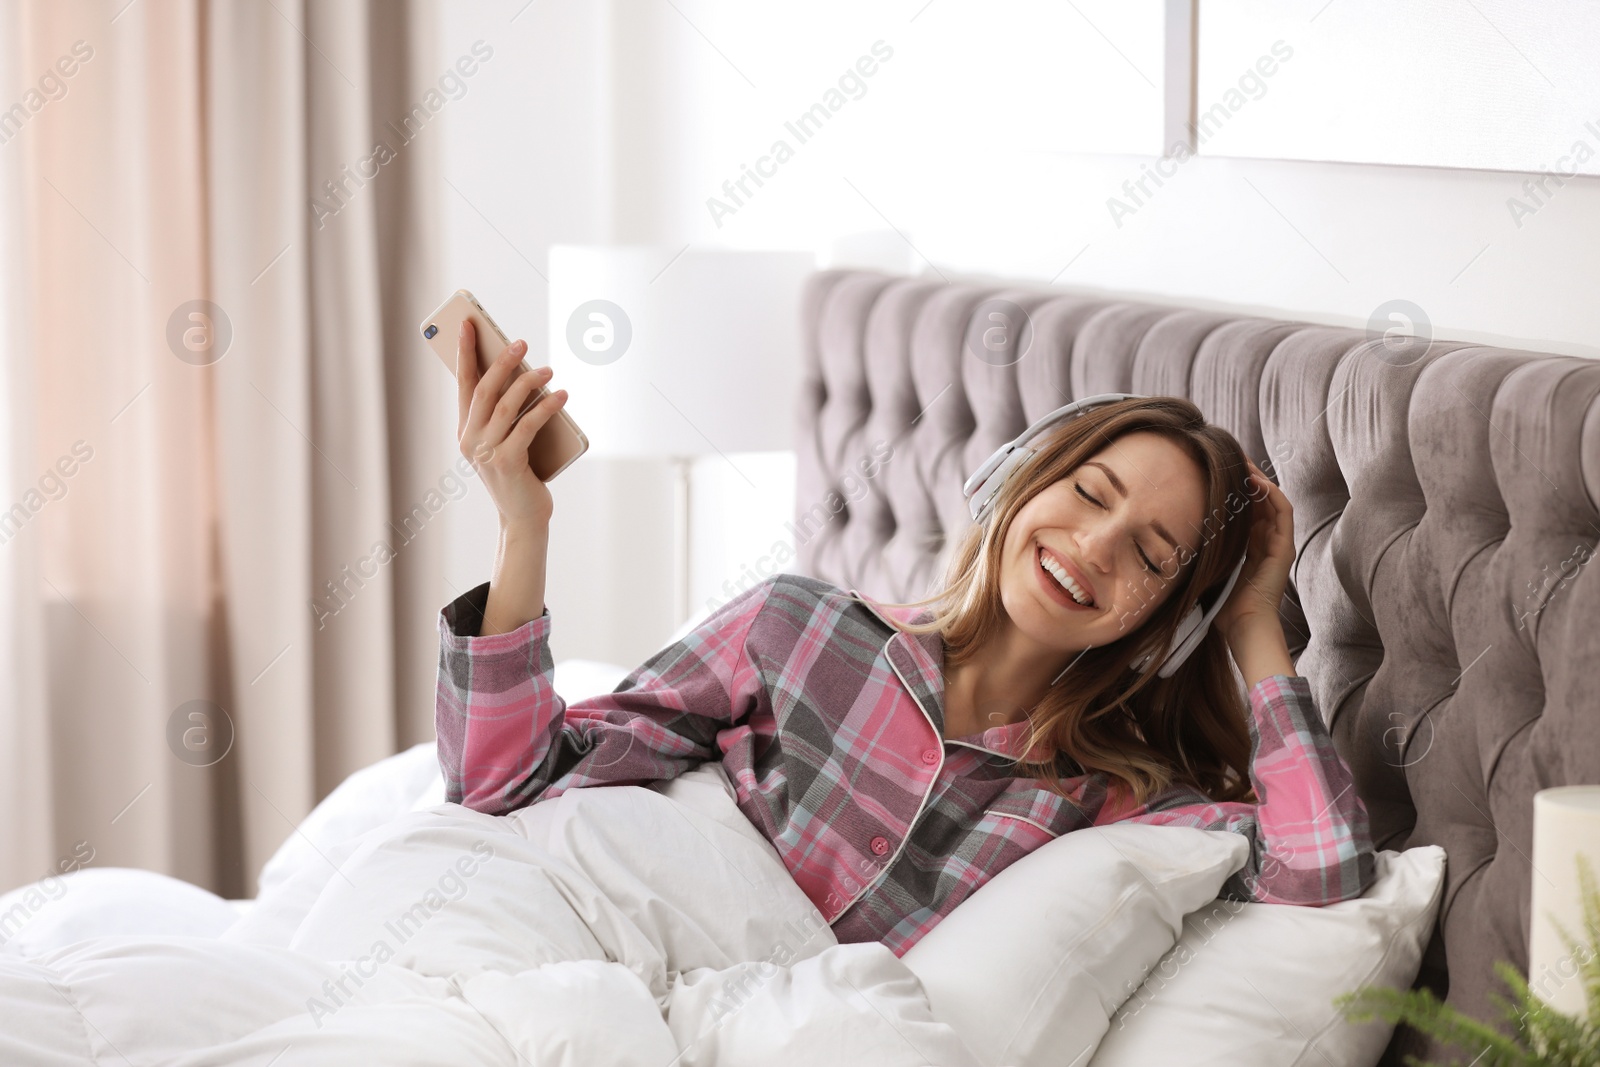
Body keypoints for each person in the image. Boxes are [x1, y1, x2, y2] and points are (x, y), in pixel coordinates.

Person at [434, 320, 1377, 959]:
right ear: (1020, 477)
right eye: (1088, 496)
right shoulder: (792, 628)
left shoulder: (1116, 801)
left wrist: (1252, 622)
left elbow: (1320, 872)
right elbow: (506, 781)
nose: (1092, 548)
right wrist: (526, 528)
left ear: (1164, 629)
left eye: (1151, 555)